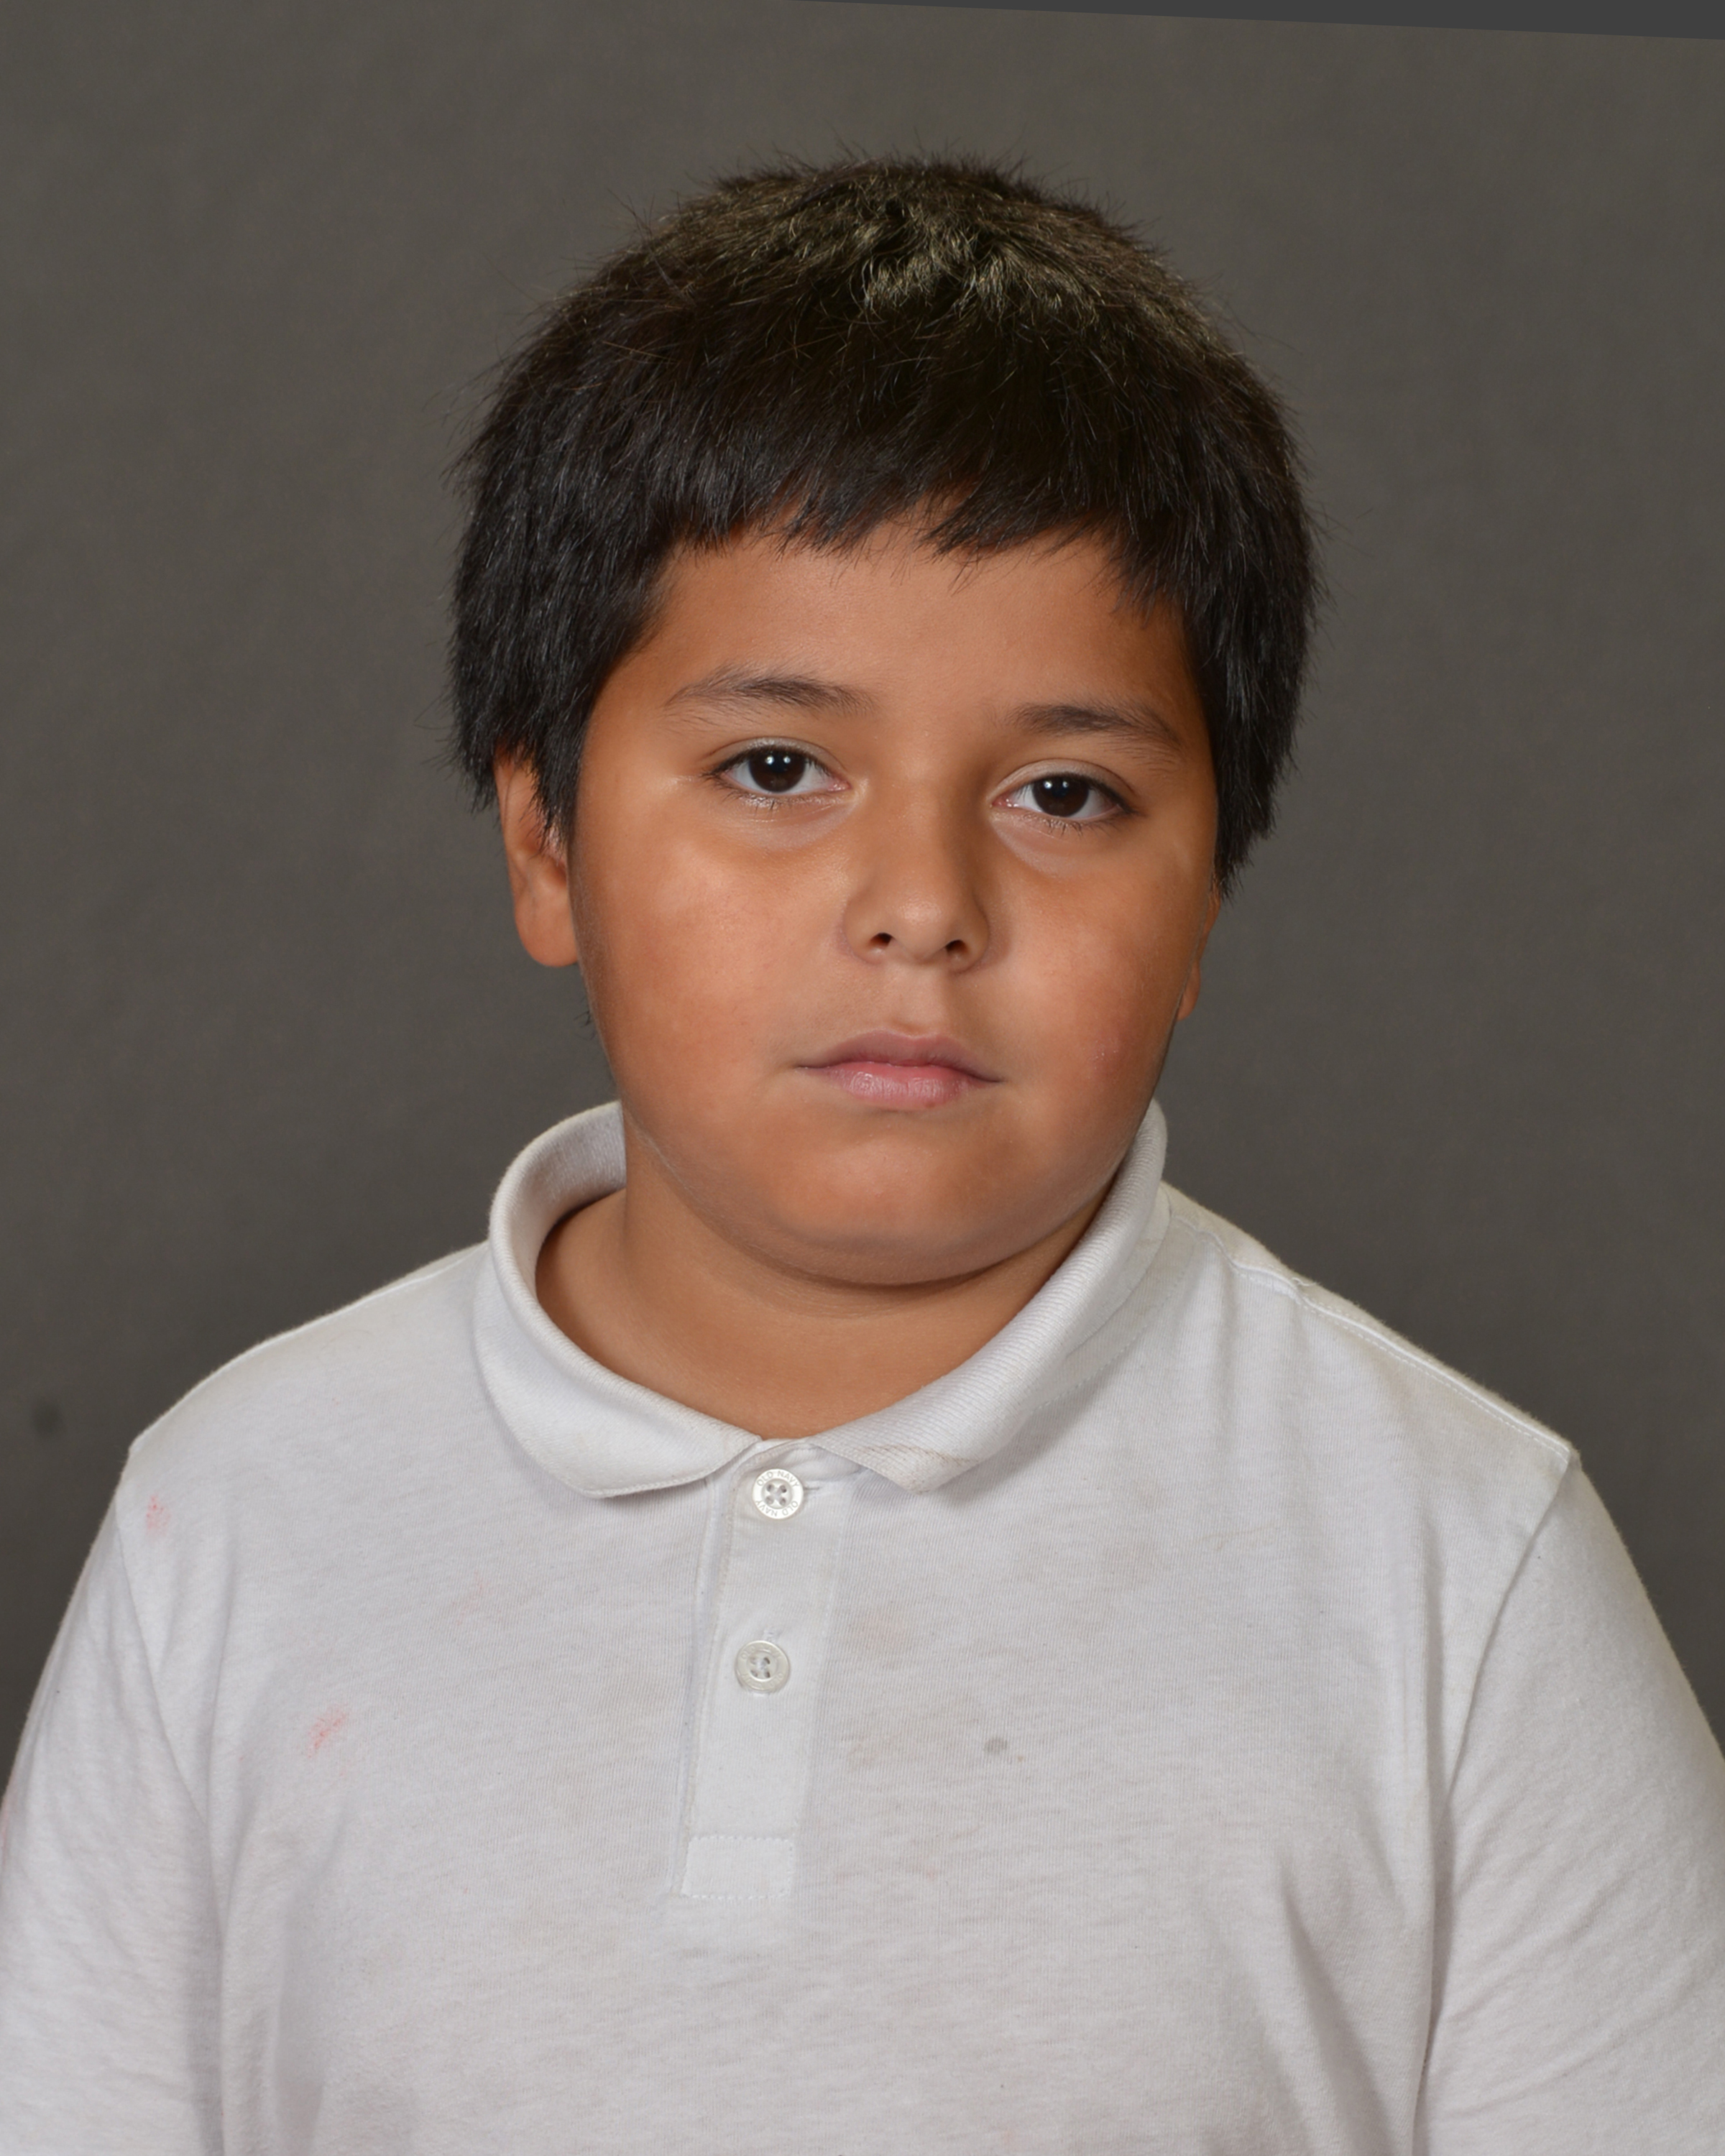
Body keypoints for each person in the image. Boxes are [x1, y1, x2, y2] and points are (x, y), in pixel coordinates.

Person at [1, 155, 1720, 2155]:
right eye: (776, 768)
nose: (922, 903)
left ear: (1208, 899)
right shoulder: (239, 1517)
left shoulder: (1458, 1572)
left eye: (1065, 793)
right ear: (545, 840)